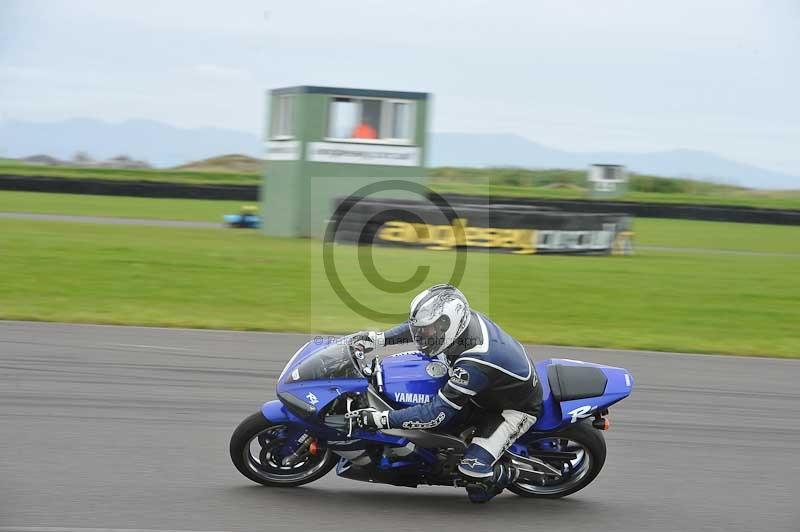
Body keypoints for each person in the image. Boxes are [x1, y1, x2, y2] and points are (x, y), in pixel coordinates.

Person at [351, 284, 543, 503]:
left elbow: (434, 415)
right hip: (488, 389)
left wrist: (381, 419)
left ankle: (506, 474)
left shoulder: (475, 362)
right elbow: (417, 328)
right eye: (422, 330)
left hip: (513, 409)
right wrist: (378, 340)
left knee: (474, 477)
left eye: (427, 331)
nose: (421, 336)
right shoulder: (461, 324)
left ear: (446, 325)